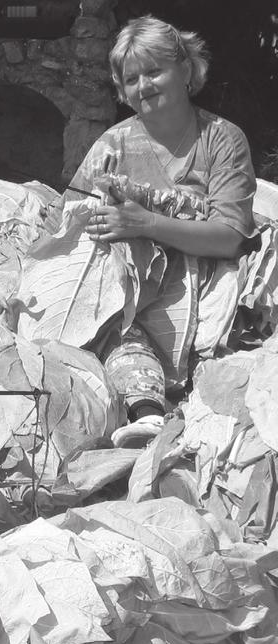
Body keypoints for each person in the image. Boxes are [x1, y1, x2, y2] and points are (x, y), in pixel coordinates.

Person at [67, 16, 257, 447]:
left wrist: (144, 222)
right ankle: (147, 413)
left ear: (186, 71)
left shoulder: (222, 140)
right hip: (131, 288)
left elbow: (229, 234)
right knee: (110, 319)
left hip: (206, 282)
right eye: (131, 78)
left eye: (154, 71)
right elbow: (70, 215)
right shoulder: (112, 145)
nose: (144, 86)